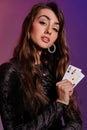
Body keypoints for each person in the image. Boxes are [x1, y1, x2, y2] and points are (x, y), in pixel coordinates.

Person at [0, 1, 82, 130]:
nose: (49, 31)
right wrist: (59, 103)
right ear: (29, 26)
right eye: (43, 22)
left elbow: (76, 123)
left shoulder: (56, 71)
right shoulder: (10, 71)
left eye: (55, 28)